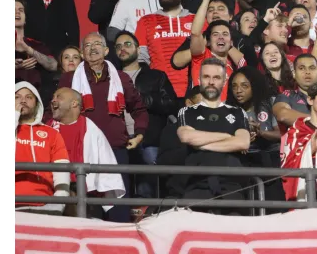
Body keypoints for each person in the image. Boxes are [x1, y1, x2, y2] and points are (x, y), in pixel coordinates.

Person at [58, 32, 149, 222]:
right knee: (87, 205)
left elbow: (138, 109)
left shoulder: (121, 78)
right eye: (87, 45)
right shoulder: (70, 79)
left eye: (97, 44)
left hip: (116, 149)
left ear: (106, 50)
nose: (93, 48)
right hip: (81, 148)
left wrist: (139, 134)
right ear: (82, 53)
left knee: (118, 205)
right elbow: (56, 109)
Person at [176, 58, 251, 213]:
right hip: (196, 183)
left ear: (224, 81)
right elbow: (187, 137)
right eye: (206, 77)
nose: (211, 82)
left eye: (216, 78)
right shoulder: (187, 111)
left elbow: (243, 143)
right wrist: (227, 136)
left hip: (232, 185)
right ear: (199, 80)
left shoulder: (237, 112)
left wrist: (200, 143)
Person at [114, 31, 179, 198]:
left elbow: (171, 105)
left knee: (150, 189)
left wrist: (143, 100)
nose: (123, 49)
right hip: (119, 140)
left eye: (127, 44)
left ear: (137, 48)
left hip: (148, 139)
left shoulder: (156, 76)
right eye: (118, 46)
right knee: (122, 189)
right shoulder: (111, 78)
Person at [48, 87, 125, 216]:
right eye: (53, 97)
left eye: (58, 97)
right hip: (53, 190)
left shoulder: (91, 129)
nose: (53, 100)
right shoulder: (47, 128)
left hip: (84, 194)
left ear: (74, 103)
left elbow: (105, 162)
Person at [226, 67, 285, 207]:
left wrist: (261, 133)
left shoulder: (270, 103)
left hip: (270, 156)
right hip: (241, 159)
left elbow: (281, 135)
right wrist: (240, 141)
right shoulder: (228, 110)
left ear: (254, 86)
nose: (238, 90)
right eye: (234, 86)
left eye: (244, 86)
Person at [134, 0, 195, 98]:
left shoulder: (197, 21)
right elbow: (141, 60)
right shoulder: (146, 21)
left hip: (192, 93)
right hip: (159, 94)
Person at [15, 82, 70, 216]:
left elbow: (62, 170)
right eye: (17, 97)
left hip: (44, 205)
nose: (23, 101)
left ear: (37, 103)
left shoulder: (52, 134)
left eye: (29, 97)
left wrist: (58, 204)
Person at [15, 0, 58, 104]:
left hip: (36, 100)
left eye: (21, 10)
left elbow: (53, 65)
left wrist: (29, 50)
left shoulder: (36, 45)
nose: (17, 12)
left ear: (25, 19)